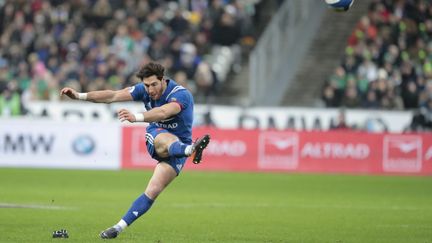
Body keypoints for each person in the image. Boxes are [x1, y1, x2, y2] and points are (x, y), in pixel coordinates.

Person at [60, 62, 210, 239]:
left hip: (179, 145)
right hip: (157, 136)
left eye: (154, 84)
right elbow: (113, 95)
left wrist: (136, 117)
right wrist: (79, 95)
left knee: (153, 190)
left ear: (163, 80)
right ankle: (191, 149)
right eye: (147, 85)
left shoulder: (181, 94)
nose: (150, 90)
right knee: (165, 138)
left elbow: (163, 112)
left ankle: (117, 228)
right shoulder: (143, 89)